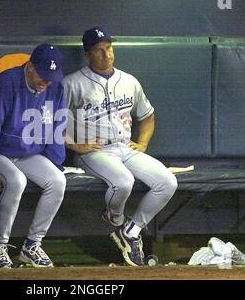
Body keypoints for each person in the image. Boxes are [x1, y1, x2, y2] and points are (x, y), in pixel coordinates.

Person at [63, 27, 178, 266]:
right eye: (98, 50)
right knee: (123, 182)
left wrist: (143, 142)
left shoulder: (129, 81)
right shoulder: (72, 84)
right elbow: (50, 120)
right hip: (94, 152)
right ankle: (115, 220)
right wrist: (75, 145)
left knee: (167, 182)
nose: (106, 55)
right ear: (88, 54)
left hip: (125, 148)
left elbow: (147, 116)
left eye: (109, 48)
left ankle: (131, 232)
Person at [0, 43, 67, 268]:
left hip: (29, 153)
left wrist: (54, 164)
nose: (46, 81)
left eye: (51, 76)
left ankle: (32, 245)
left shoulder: (55, 87)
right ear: (30, 67)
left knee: (57, 180)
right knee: (16, 181)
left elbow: (57, 126)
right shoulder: (5, 83)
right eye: (43, 75)